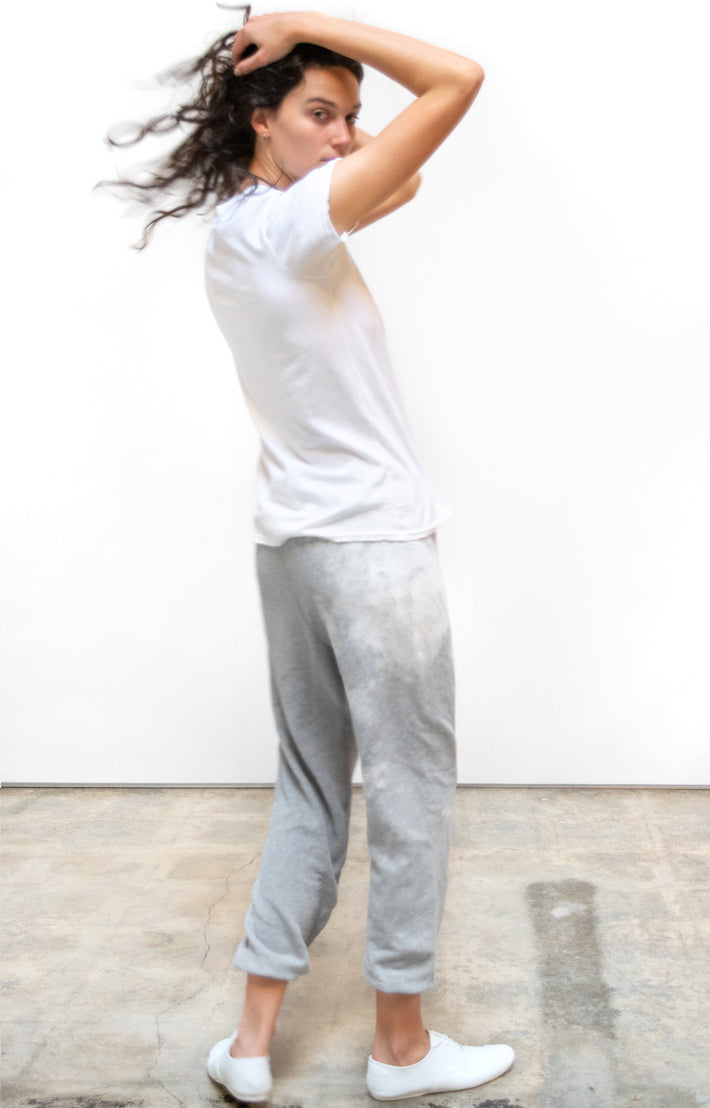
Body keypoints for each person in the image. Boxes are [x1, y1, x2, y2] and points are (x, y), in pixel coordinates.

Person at [108, 8, 514, 1102]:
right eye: (319, 113)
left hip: (289, 547)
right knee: (413, 794)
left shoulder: (243, 230)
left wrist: (333, 128)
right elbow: (459, 77)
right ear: (260, 119)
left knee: (308, 788)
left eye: (351, 118)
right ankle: (401, 1050)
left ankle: (249, 1044)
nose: (342, 136)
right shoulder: (293, 225)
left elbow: (403, 181)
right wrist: (303, 22)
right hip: (372, 546)